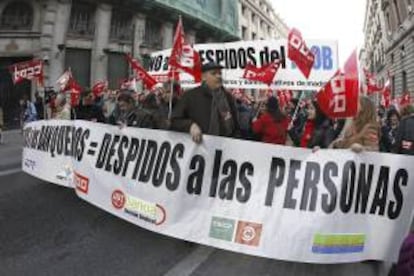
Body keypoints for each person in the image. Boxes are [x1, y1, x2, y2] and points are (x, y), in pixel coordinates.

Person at [171, 62, 240, 143]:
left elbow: (235, 125)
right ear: (203, 77)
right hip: (198, 147)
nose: (219, 76)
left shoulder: (228, 97)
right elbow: (174, 120)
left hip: (225, 147)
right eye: (214, 73)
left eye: (220, 73)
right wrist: (190, 125)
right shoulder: (190, 96)